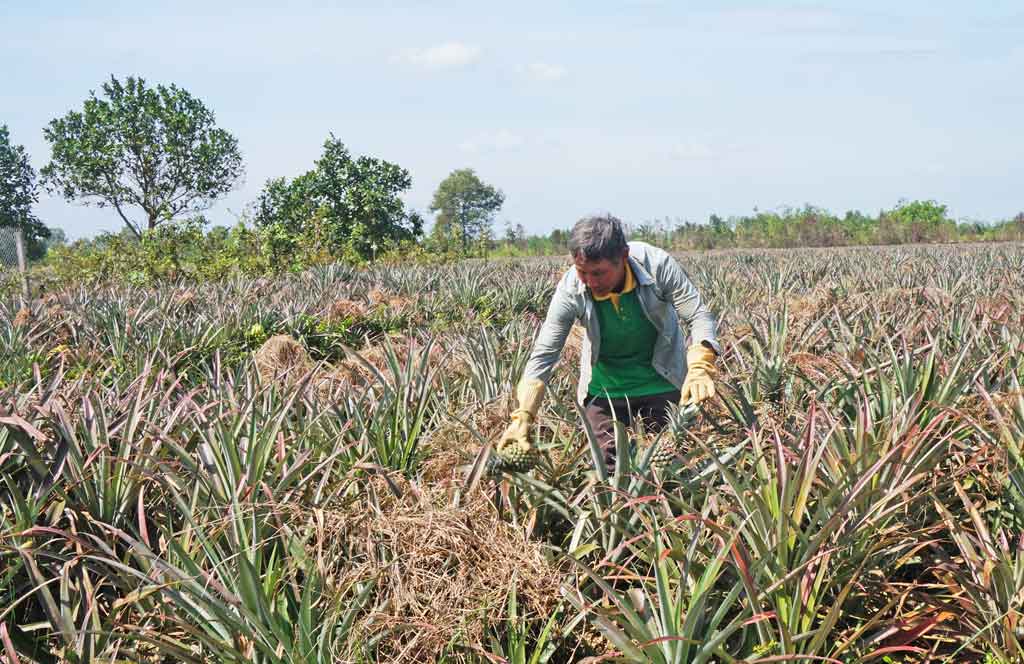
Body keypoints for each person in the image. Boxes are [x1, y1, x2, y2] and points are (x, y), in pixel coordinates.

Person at [496, 214, 720, 471]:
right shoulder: (571, 289)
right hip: (605, 390)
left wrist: (701, 365)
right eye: (582, 272)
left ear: (623, 257)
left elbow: (698, 315)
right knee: (608, 476)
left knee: (670, 472)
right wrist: (523, 415)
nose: (590, 282)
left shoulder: (657, 265)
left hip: (661, 380)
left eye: (599, 273)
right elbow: (544, 354)